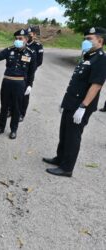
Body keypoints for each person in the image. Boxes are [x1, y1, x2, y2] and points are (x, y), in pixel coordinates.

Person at [43, 27, 106, 177]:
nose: (86, 41)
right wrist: (64, 102)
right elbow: (76, 83)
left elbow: (96, 85)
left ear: (100, 41)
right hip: (71, 103)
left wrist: (83, 106)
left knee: (73, 136)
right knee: (64, 132)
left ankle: (67, 168)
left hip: (81, 105)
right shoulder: (88, 56)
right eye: (85, 38)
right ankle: (60, 159)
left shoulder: (101, 58)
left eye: (89, 38)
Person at [20, 26, 44, 121]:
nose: (28, 36)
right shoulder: (23, 43)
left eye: (30, 35)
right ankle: (11, 110)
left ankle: (22, 113)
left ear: (34, 35)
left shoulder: (38, 46)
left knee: (25, 94)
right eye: (27, 35)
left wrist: (30, 69)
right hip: (18, 72)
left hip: (28, 73)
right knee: (14, 92)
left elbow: (39, 61)